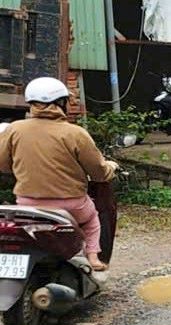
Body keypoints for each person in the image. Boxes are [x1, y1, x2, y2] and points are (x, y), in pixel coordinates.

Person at [0, 77, 118, 271]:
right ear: (62, 103)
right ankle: (93, 257)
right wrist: (110, 168)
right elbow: (98, 173)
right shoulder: (76, 133)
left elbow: (4, 166)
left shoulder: (14, 129)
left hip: (27, 204)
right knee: (92, 220)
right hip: (72, 205)